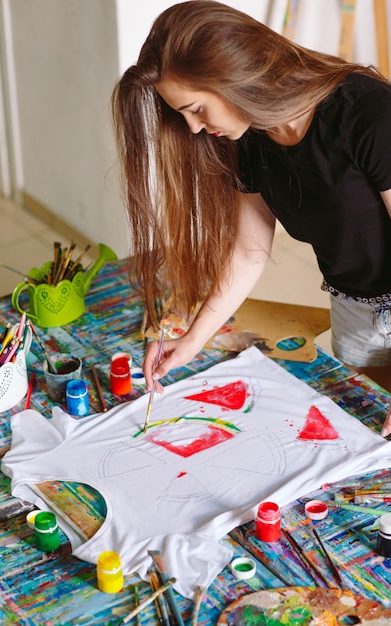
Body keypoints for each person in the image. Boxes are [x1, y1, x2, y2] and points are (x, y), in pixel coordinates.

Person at [111, 0, 391, 436]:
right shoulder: (254, 139)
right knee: (372, 429)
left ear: (233, 76)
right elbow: (247, 252)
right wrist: (191, 342)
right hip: (354, 306)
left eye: (197, 108)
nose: (194, 129)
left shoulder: (367, 114)